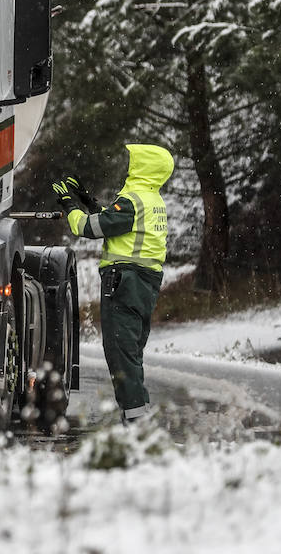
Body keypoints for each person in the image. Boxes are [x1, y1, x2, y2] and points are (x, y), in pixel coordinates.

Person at [52, 144, 174, 422]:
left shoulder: (132, 200)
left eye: (134, 162)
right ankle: (138, 414)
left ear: (143, 168)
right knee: (130, 352)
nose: (130, 165)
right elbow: (117, 225)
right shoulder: (151, 200)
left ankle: (135, 421)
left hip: (125, 281)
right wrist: (89, 200)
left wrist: (69, 204)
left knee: (120, 354)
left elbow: (89, 228)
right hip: (143, 282)